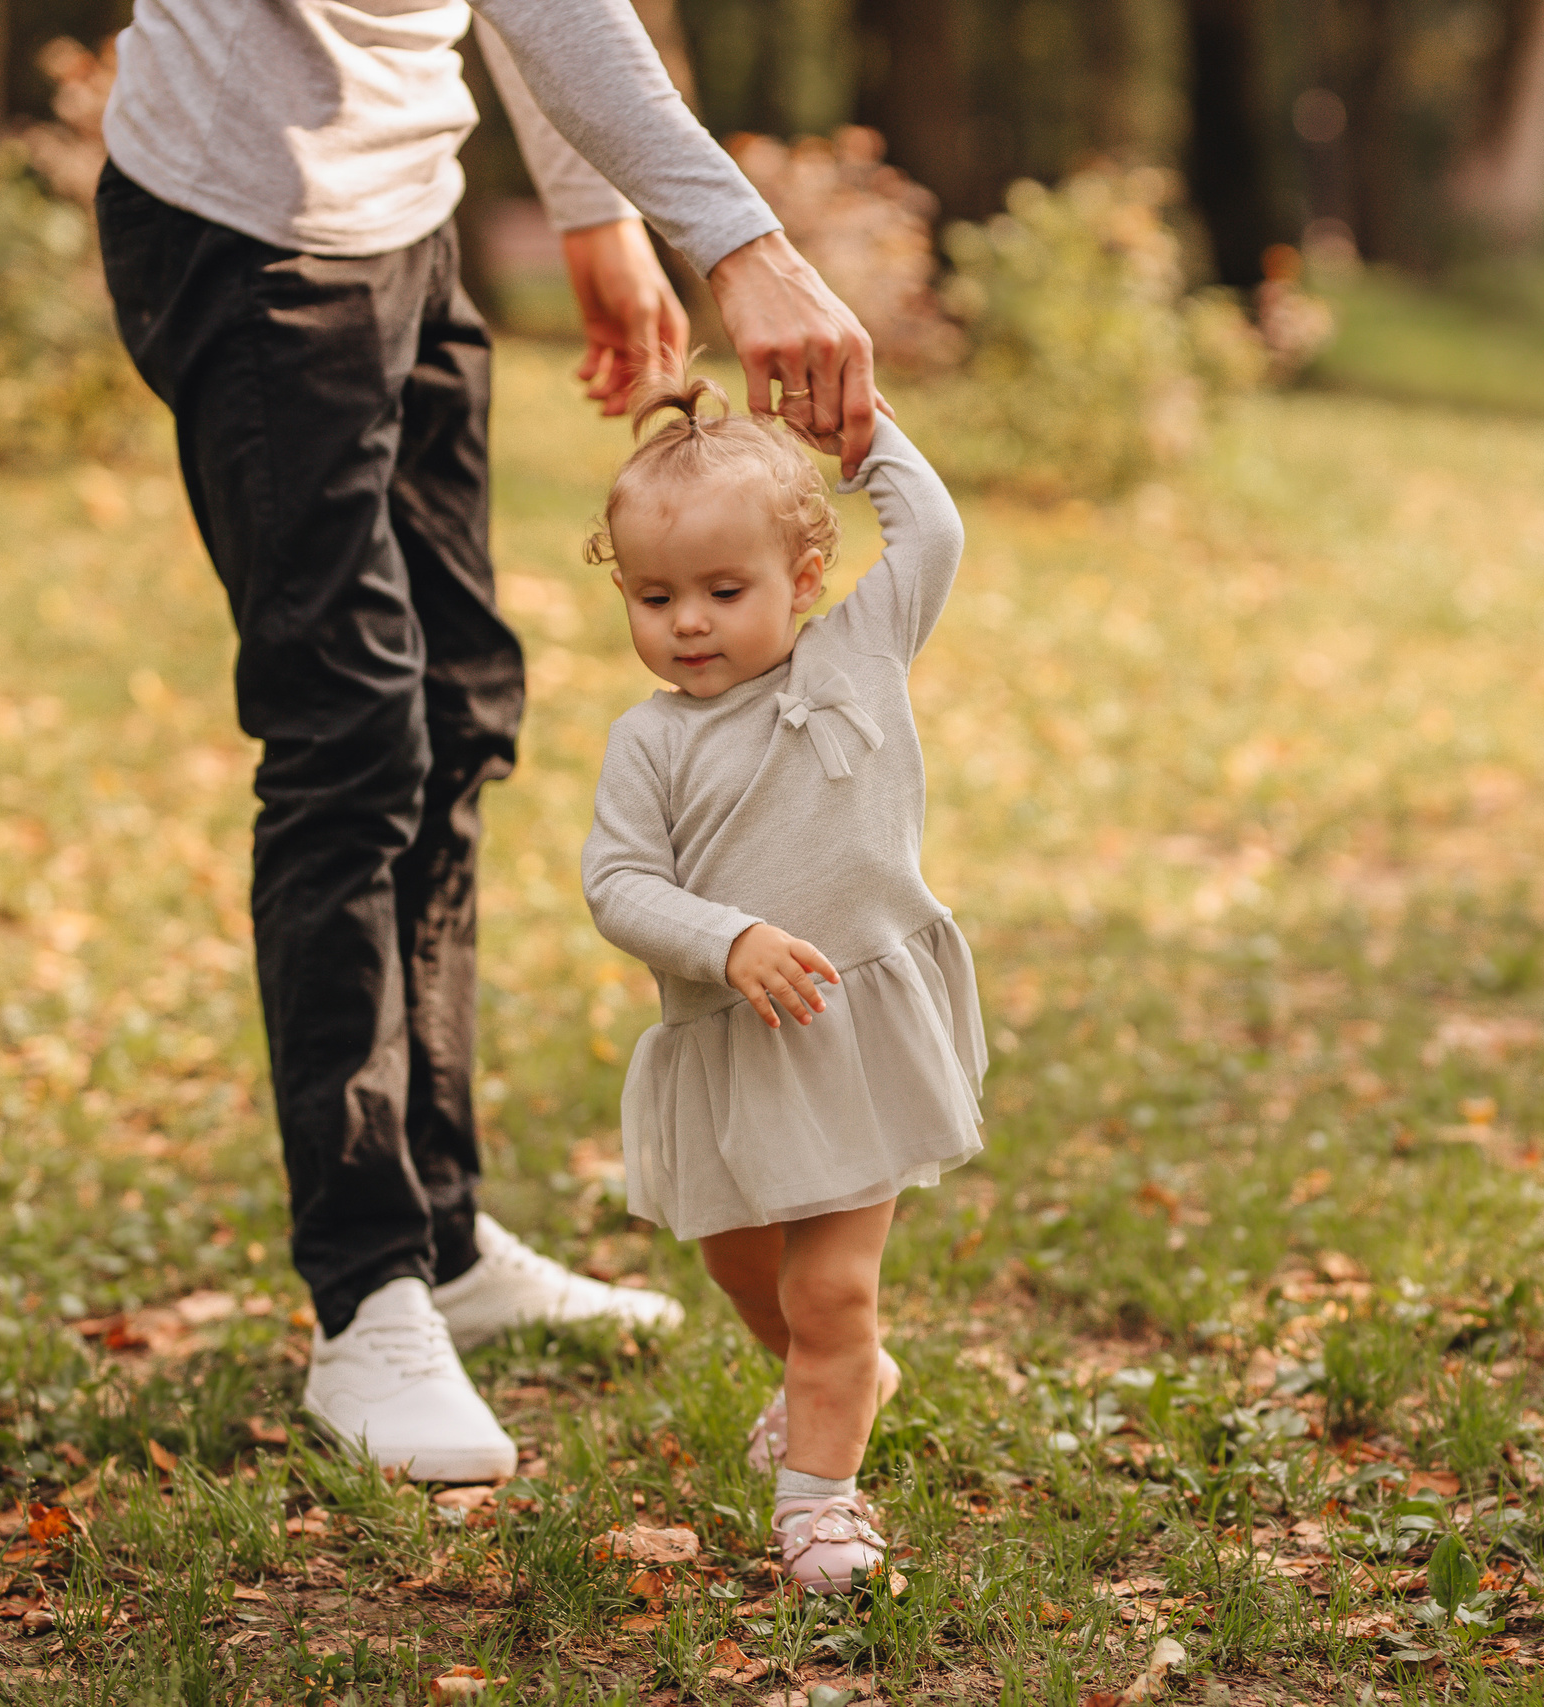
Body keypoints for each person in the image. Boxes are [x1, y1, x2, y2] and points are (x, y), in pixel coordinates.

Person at [91, 0, 881, 1485]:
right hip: (246, 224)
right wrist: (740, 238)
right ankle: (366, 1284)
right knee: (348, 736)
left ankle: (441, 1235)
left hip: (403, 211)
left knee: (456, 709)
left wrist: (588, 211)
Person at [580, 364, 981, 1592]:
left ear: (804, 583)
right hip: (735, 1040)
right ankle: (842, 1370)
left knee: (828, 1286)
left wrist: (859, 434)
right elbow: (617, 883)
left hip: (851, 1028)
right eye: (655, 597)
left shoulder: (856, 651)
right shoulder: (648, 741)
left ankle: (821, 1505)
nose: (687, 622)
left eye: (721, 590)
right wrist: (726, 939)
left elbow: (933, 531)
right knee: (741, 1265)